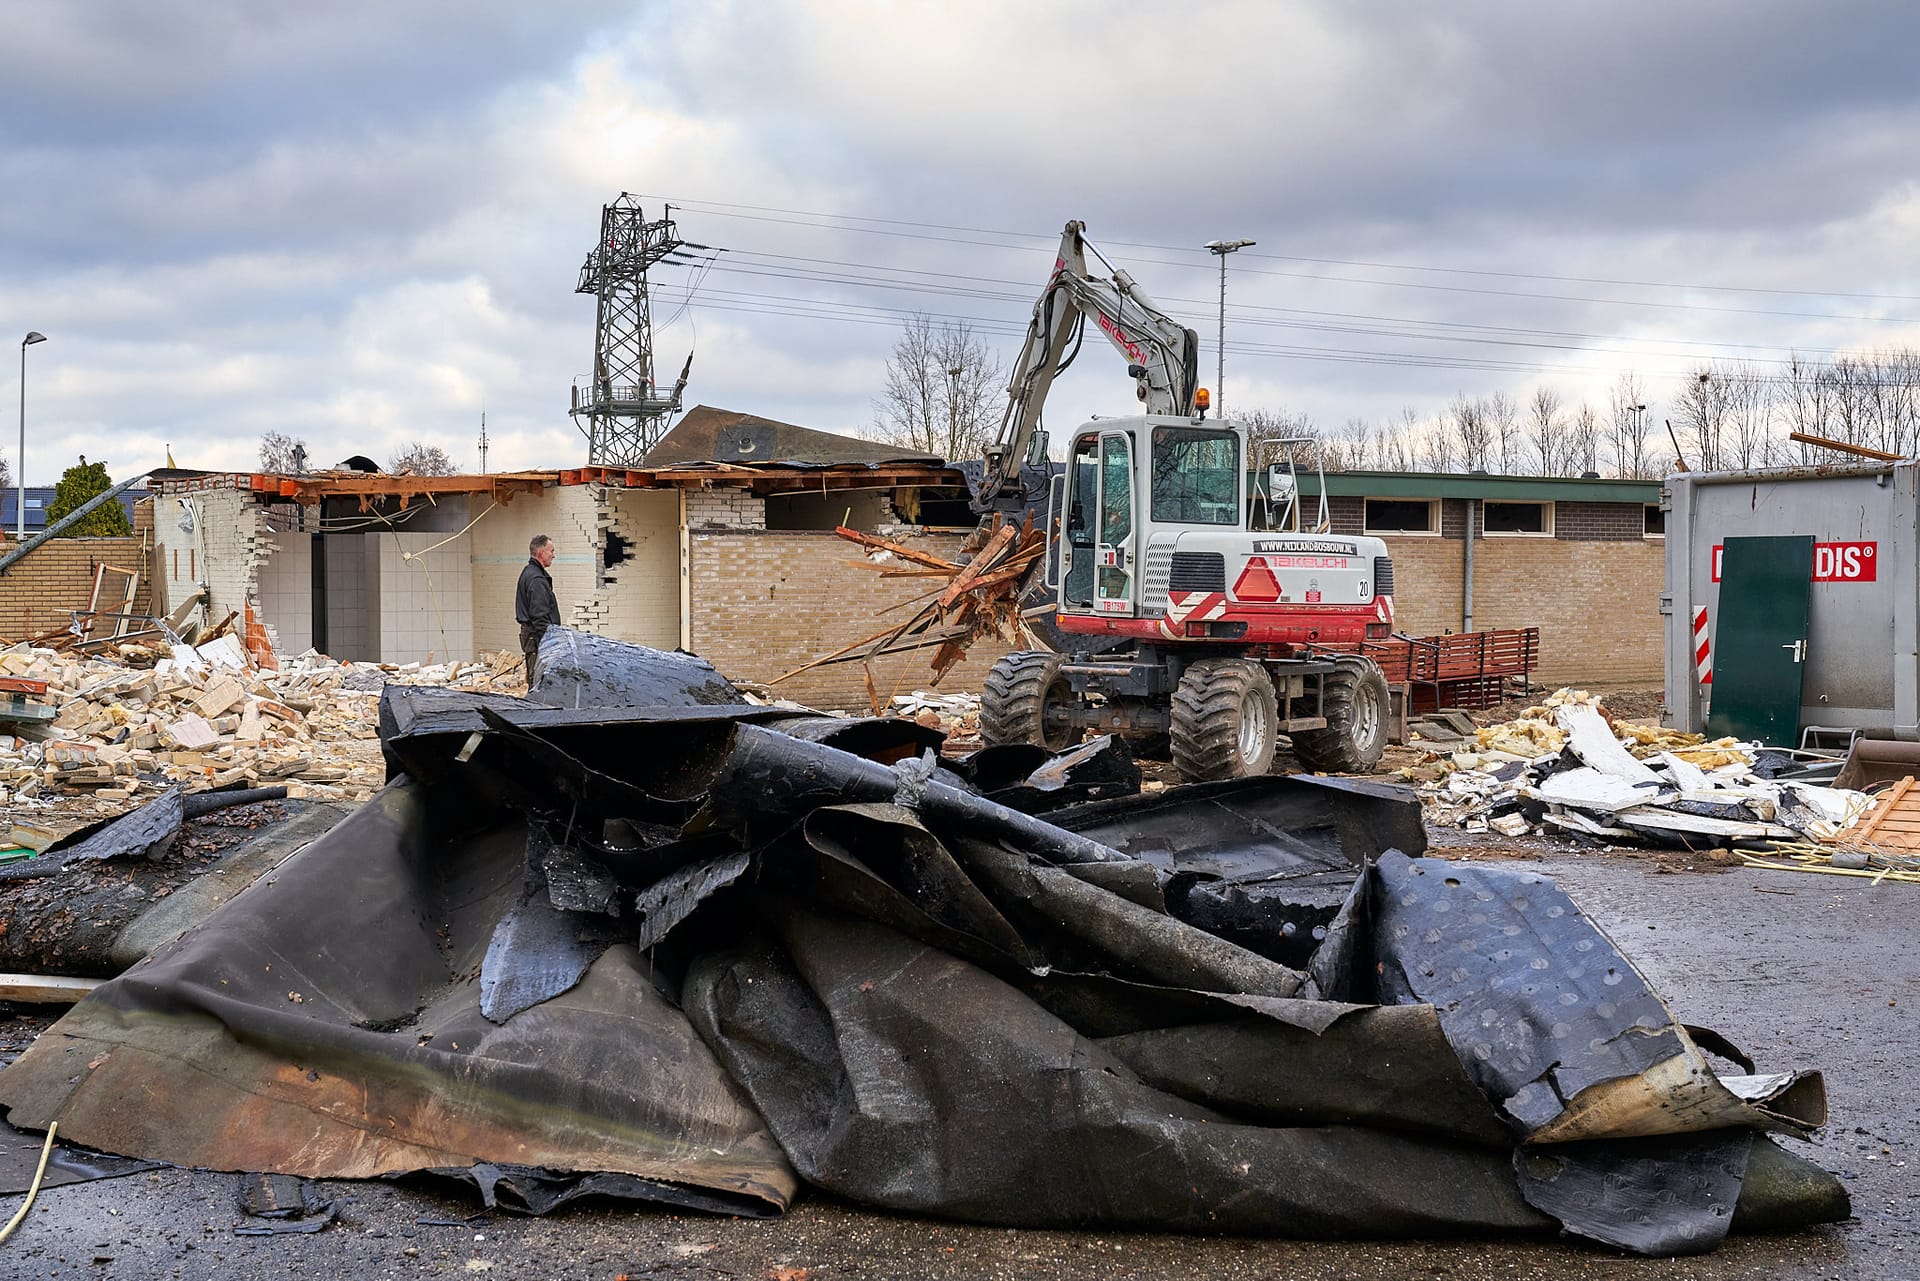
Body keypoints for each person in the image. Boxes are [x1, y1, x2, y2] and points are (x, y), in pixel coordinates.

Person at [516, 534, 560, 689]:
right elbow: (539, 617)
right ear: (541, 553)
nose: (553, 555)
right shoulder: (537, 579)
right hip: (537, 640)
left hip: (534, 638)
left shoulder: (530, 572)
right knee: (539, 684)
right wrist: (550, 644)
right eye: (551, 551)